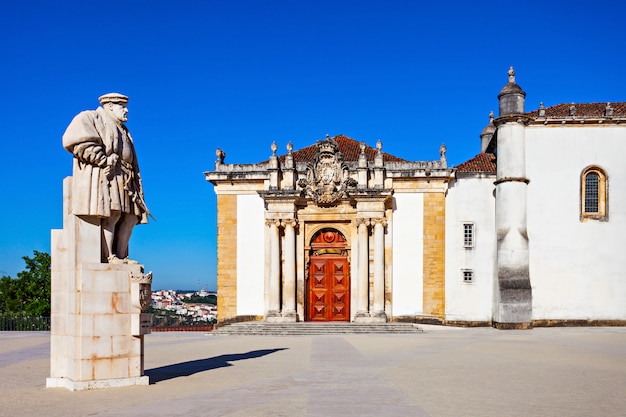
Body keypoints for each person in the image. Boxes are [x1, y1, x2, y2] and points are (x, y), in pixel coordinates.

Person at [62, 93, 151, 264]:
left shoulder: (124, 130)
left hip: (127, 177)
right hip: (110, 174)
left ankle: (122, 255)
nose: (126, 111)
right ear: (109, 106)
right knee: (113, 214)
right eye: (122, 106)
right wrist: (102, 159)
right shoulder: (91, 117)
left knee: (132, 216)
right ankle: (111, 256)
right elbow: (77, 142)